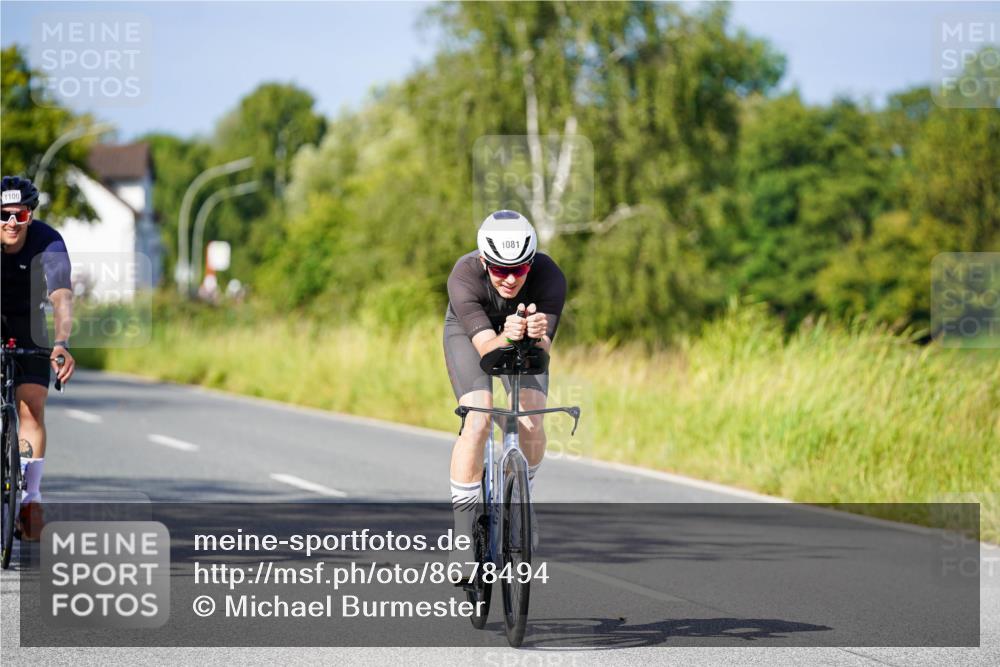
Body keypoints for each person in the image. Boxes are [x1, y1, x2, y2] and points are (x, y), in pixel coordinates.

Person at [443, 210, 566, 578]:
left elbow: (542, 353)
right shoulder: (464, 275)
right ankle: (462, 538)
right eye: (500, 270)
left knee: (531, 416)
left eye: (520, 269)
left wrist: (537, 335)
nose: (511, 279)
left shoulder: (549, 275)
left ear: (531, 263)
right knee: (478, 417)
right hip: (472, 337)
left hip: (521, 334)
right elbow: (487, 350)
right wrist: (507, 335)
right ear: (484, 261)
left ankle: (522, 503)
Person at [0, 175, 76, 540]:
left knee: (31, 406)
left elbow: (61, 296)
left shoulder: (48, 241)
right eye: (4, 214)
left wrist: (61, 343)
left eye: (21, 214)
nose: (12, 222)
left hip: (29, 322)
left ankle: (30, 500)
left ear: (31, 215)